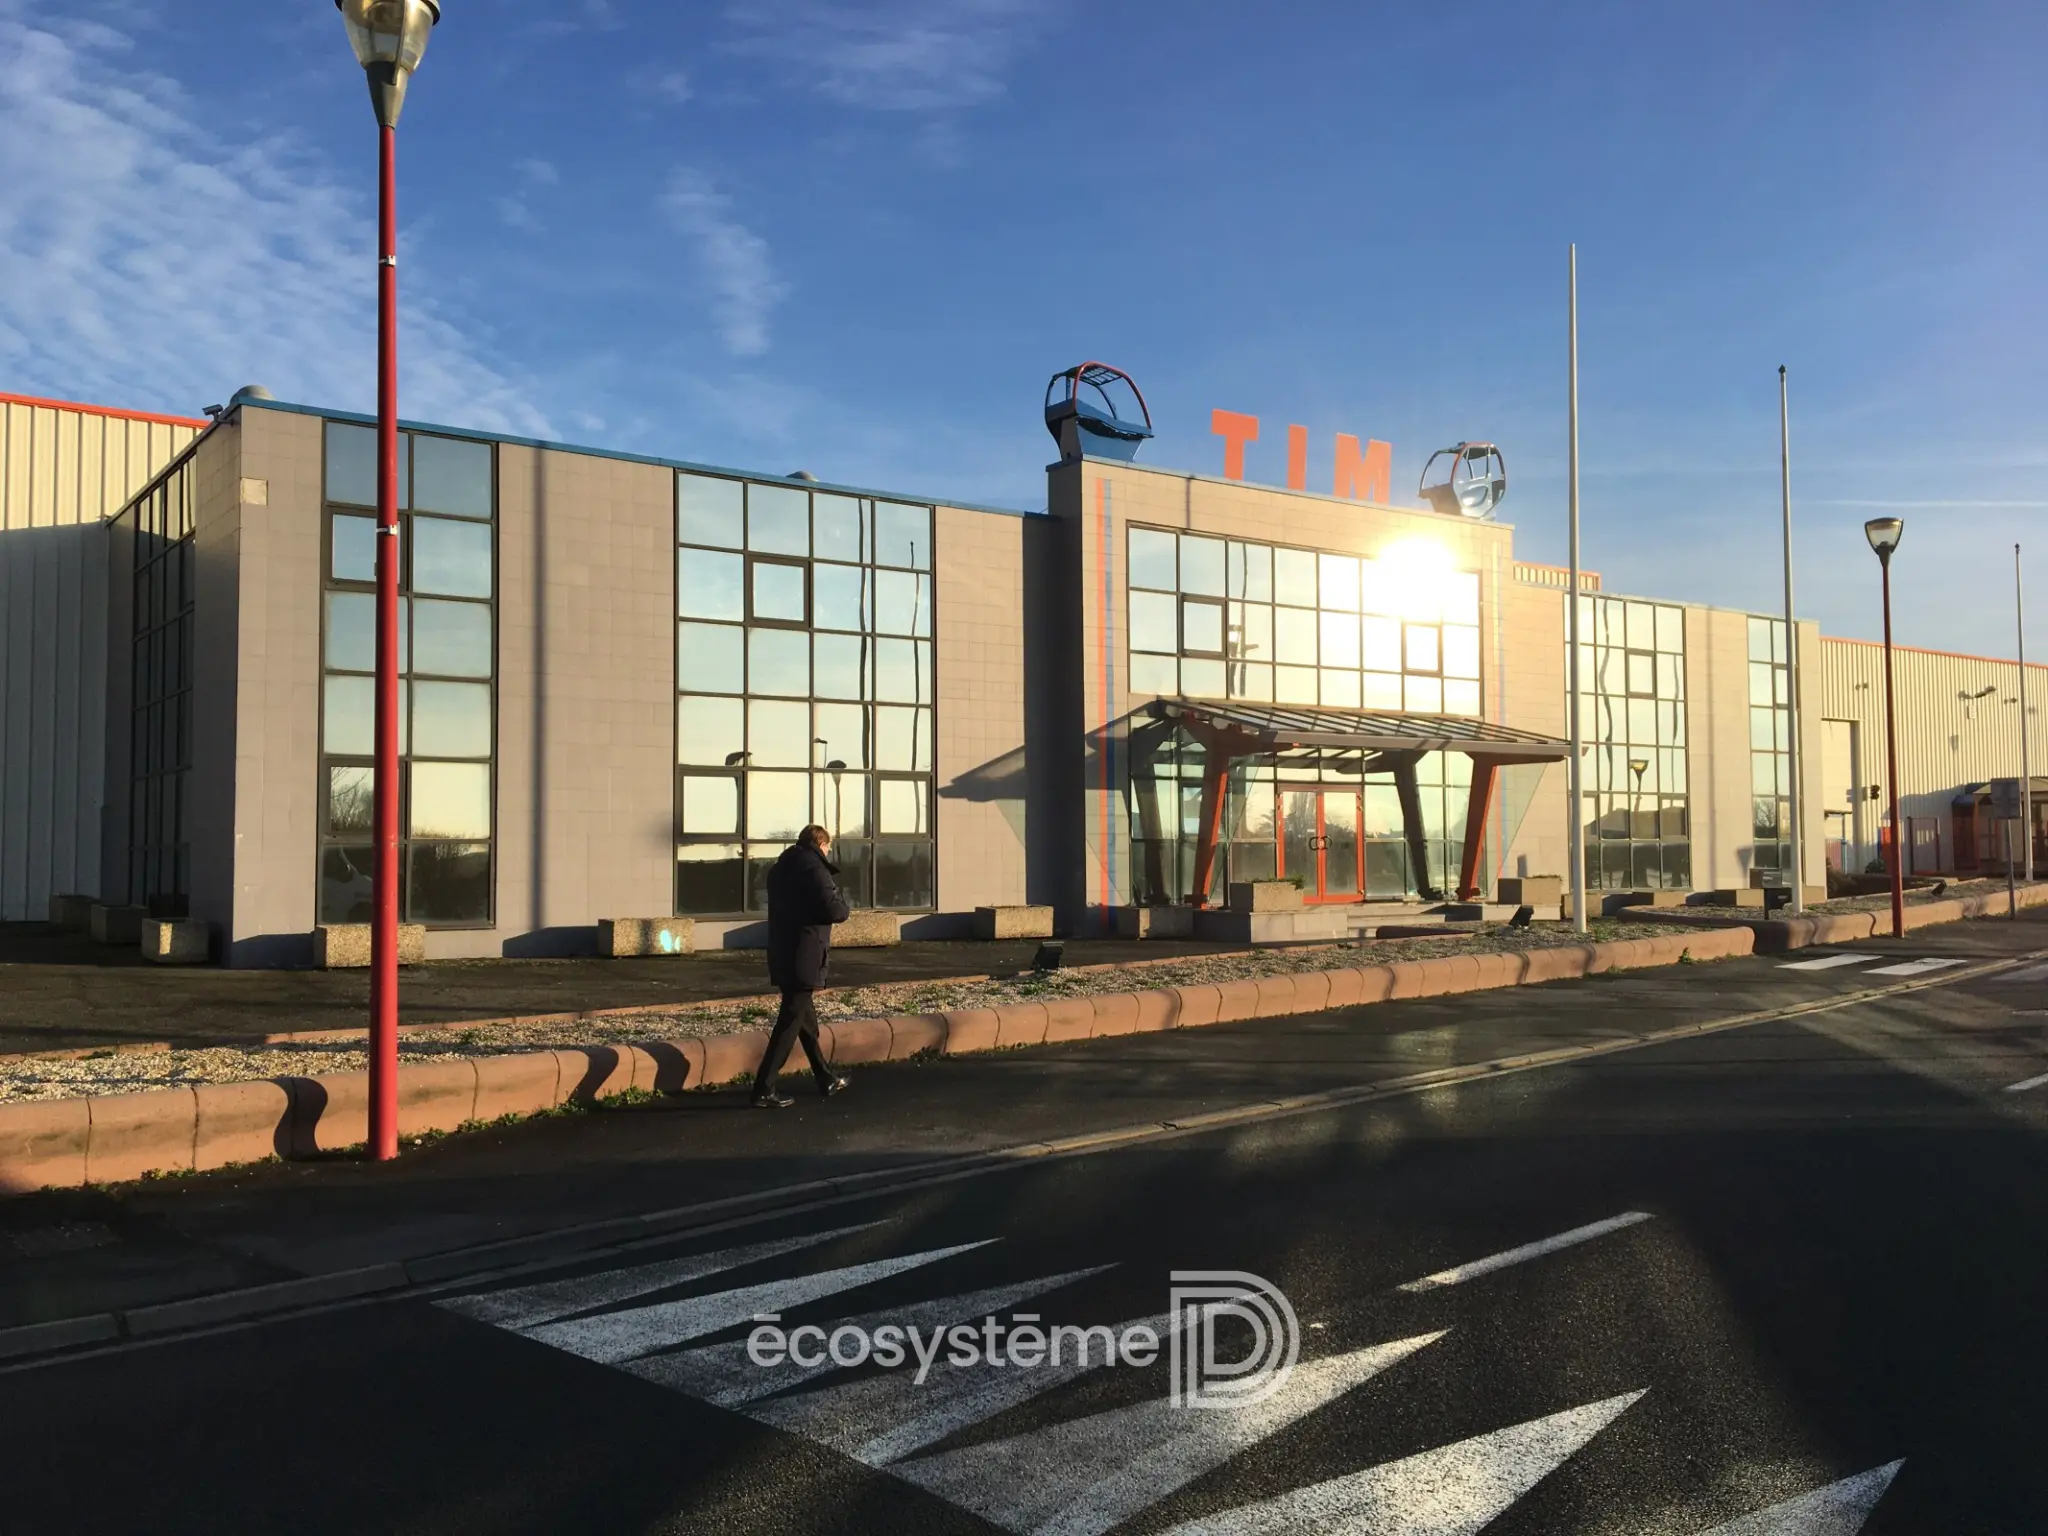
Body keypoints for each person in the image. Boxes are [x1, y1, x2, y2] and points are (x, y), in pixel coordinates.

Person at [752, 824, 852, 1109]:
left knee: (805, 1022)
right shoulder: (814, 869)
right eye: (828, 847)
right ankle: (763, 1088)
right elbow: (834, 910)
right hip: (805, 954)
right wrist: (844, 905)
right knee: (789, 1024)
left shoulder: (779, 868)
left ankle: (825, 1077)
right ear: (820, 843)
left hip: (783, 952)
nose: (828, 852)